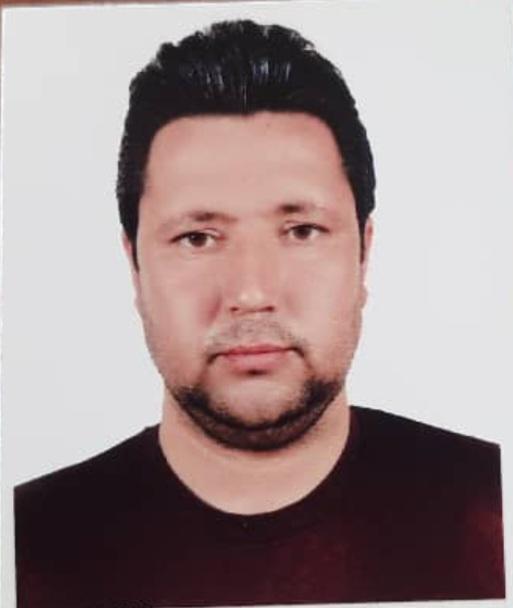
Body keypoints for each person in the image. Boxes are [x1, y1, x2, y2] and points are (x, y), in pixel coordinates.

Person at [14, 19, 505, 607]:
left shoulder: (491, 510)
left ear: (364, 252)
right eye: (197, 238)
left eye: (301, 230)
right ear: (134, 266)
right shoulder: (28, 546)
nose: (250, 292)